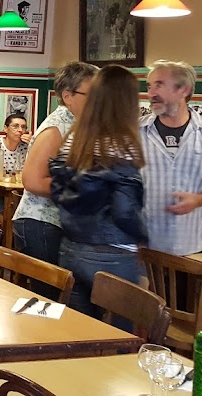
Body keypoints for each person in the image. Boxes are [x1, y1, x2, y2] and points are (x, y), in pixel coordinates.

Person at [48, 65, 148, 322]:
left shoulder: (75, 136)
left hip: (71, 245)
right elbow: (124, 211)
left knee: (80, 333)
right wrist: (144, 236)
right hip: (112, 253)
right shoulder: (121, 142)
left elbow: (58, 190)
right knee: (119, 338)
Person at [140, 60, 202, 255]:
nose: (151, 93)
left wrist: (198, 200)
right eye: (149, 86)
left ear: (183, 90)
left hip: (192, 246)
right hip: (144, 246)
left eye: (159, 85)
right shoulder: (135, 132)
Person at [15, 61, 99, 285]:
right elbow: (32, 180)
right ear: (68, 96)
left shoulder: (78, 124)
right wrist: (79, 190)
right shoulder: (56, 128)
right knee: (49, 298)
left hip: (58, 224)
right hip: (42, 223)